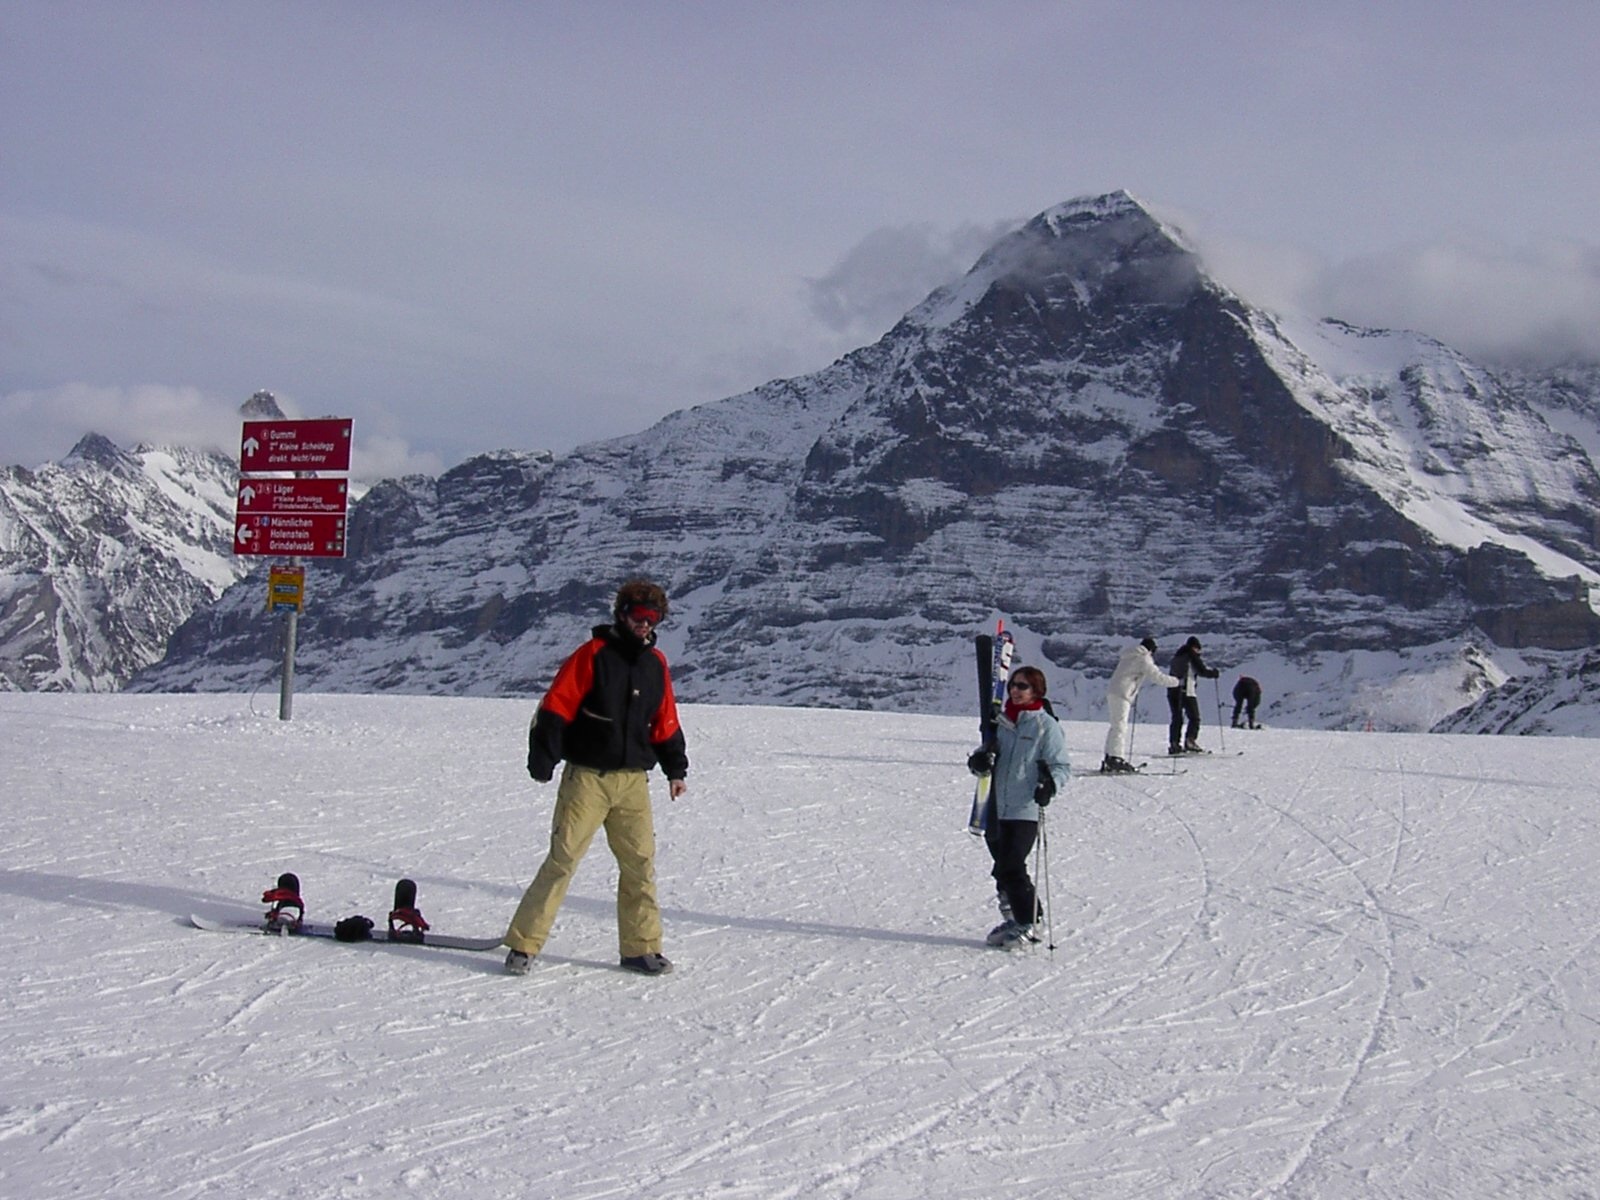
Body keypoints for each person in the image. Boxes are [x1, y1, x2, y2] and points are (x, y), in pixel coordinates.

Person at [504, 579, 689, 977]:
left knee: (640, 864)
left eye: (653, 618)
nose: (645, 624)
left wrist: (676, 769)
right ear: (622, 614)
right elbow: (557, 705)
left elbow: (665, 721)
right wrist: (544, 758)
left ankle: (641, 948)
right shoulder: (592, 656)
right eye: (639, 616)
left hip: (633, 782)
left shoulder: (655, 665)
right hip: (588, 778)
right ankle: (524, 943)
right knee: (564, 859)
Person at [965, 666, 1072, 948]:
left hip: (1023, 810)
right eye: (1013, 684)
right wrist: (977, 763)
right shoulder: (999, 723)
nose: (1015, 689)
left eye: (1023, 686)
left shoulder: (1045, 726)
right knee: (1002, 868)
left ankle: (1030, 921)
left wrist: (1050, 785)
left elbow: (1061, 766)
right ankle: (1014, 917)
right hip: (994, 806)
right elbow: (984, 754)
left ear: (1037, 690)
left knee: (1011, 866)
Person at [1101, 636, 1180, 773]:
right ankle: (1116, 759)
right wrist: (1176, 682)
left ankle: (1109, 757)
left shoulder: (1129, 655)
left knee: (1115, 726)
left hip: (1114, 691)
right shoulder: (1143, 658)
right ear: (1151, 650)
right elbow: (1157, 677)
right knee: (1120, 726)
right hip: (1123, 694)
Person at [1167, 636, 1220, 754]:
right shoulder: (1191, 655)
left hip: (1172, 690)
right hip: (1187, 690)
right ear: (1194, 648)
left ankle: (1174, 743)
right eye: (1198, 649)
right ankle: (1190, 741)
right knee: (1194, 717)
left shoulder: (1177, 657)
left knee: (1177, 718)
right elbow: (1201, 671)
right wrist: (1214, 673)